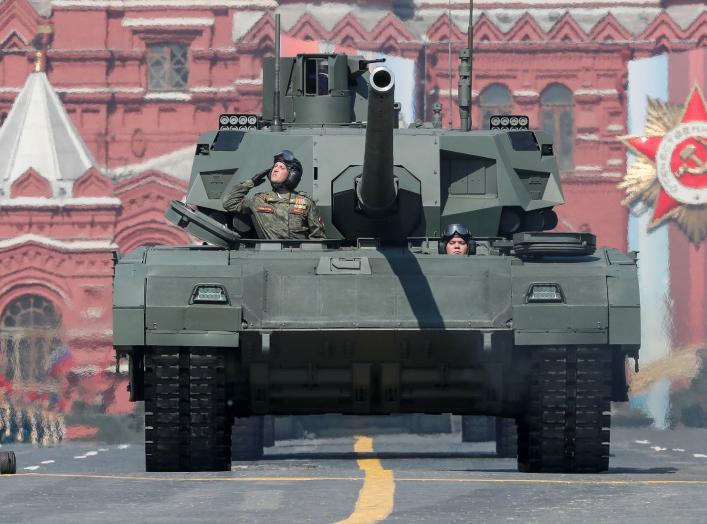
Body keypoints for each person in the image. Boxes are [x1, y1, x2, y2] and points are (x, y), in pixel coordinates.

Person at [221, 150, 326, 240]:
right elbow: (229, 203)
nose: (275, 169)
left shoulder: (305, 202)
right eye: (275, 166)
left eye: (281, 167)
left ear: (292, 175)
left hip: (300, 255)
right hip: (272, 254)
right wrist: (250, 182)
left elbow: (318, 237)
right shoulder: (260, 200)